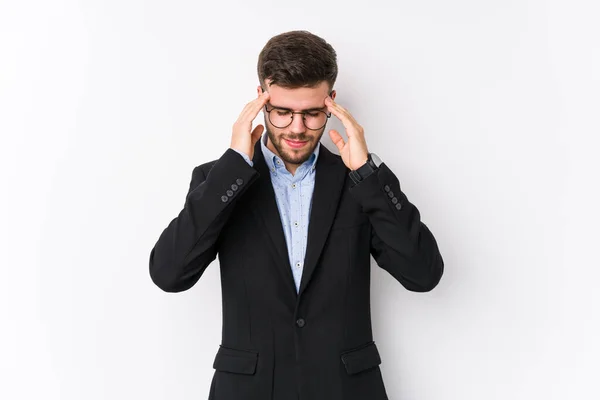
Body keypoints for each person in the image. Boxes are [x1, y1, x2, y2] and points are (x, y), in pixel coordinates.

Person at [149, 30, 444, 400]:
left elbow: (423, 274)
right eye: (283, 112)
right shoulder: (219, 180)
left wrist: (367, 173)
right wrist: (235, 165)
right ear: (260, 100)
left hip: (345, 389)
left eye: (312, 113)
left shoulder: (360, 182)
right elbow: (168, 273)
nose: (297, 128)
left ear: (331, 103)